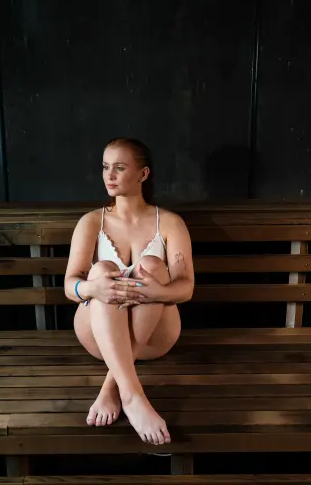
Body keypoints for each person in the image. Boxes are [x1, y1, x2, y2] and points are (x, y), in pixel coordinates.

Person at [64, 138, 195, 446]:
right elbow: (71, 285)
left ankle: (114, 386)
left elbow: (186, 287)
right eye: (106, 167)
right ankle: (133, 396)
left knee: (152, 265)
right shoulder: (91, 222)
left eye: (120, 168)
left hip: (155, 337)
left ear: (143, 174)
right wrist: (93, 287)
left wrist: (157, 292)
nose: (109, 175)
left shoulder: (170, 223)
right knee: (101, 269)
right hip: (98, 336)